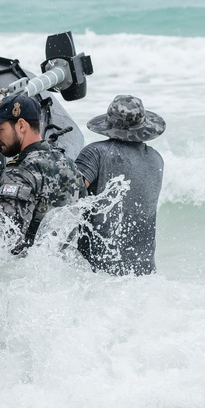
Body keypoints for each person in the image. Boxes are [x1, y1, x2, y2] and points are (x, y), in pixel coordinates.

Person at [0, 94, 86, 251]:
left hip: (26, 269)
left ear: (21, 125)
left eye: (0, 129)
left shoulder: (19, 172)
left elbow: (4, 238)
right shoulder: (68, 164)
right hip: (62, 263)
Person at [75, 95, 165, 275]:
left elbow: (68, 196)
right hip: (145, 272)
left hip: (98, 272)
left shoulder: (95, 153)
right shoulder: (157, 159)